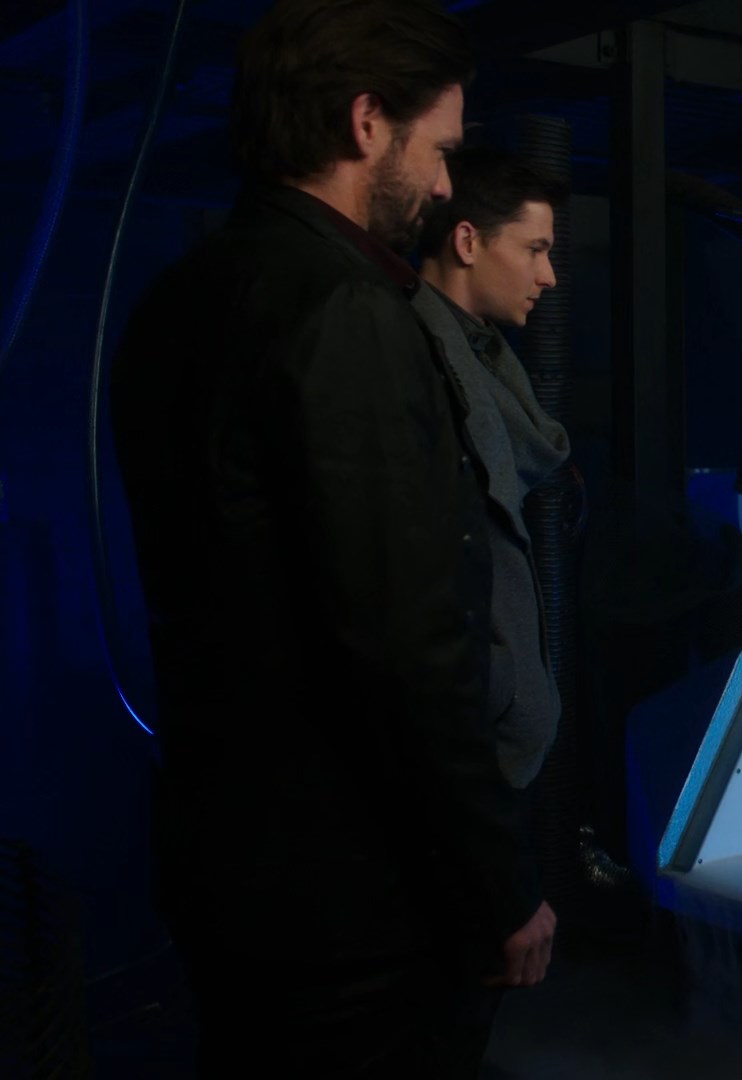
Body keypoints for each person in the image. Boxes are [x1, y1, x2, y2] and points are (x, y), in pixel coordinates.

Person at [111, 2, 554, 1075]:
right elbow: (403, 640)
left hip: (228, 864)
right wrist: (495, 882)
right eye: (438, 149)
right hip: (354, 895)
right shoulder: (347, 312)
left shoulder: (176, 299)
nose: (444, 186)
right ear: (366, 124)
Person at [414, 147, 571, 792]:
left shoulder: (478, 358)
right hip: (450, 750)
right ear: (467, 242)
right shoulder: (413, 360)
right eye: (534, 250)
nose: (549, 276)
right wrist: (498, 685)